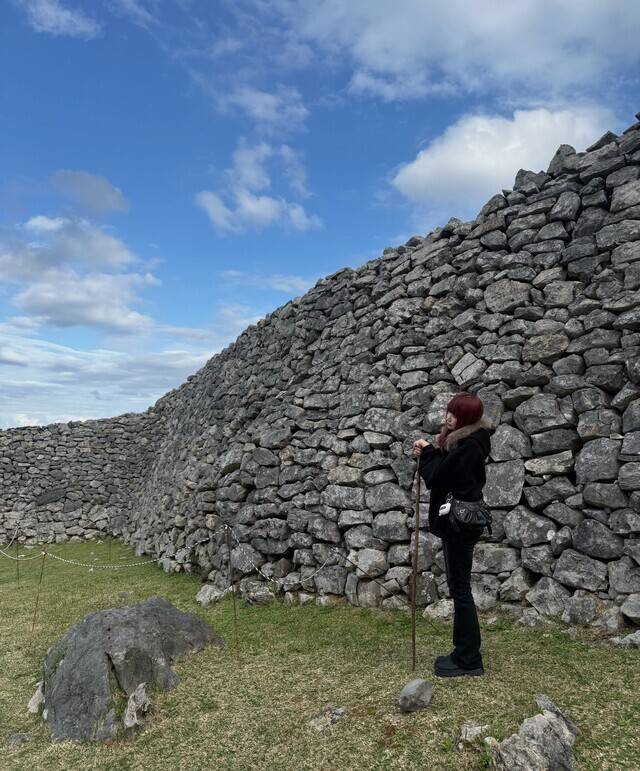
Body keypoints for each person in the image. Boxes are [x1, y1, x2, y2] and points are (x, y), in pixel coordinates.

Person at [412, 393, 492, 678]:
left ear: (467, 419)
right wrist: (433, 450)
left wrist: (429, 452)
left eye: (454, 414)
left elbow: (439, 476)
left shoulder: (470, 446)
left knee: (461, 589)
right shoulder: (464, 439)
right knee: (460, 588)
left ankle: (469, 658)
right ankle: (463, 653)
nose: (448, 417)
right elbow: (444, 468)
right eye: (448, 411)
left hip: (460, 524)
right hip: (458, 522)